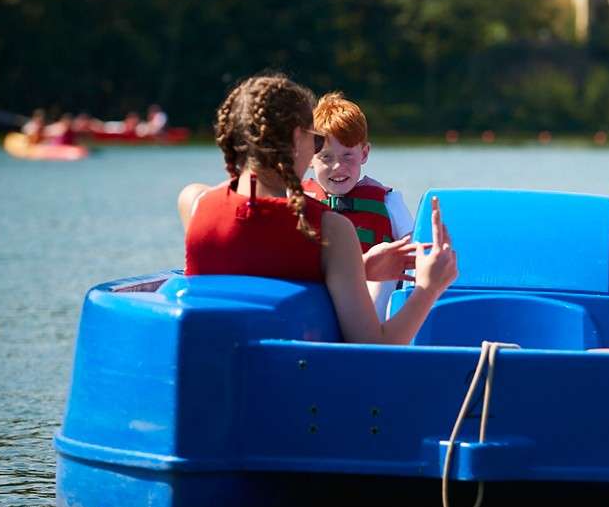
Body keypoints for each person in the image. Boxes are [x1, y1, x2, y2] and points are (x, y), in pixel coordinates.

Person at [177, 73, 457, 345]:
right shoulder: (332, 230)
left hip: (209, 371)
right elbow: (370, 344)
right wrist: (428, 288)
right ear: (299, 139)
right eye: (317, 139)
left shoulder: (194, 202)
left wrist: (358, 269)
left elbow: (257, 256)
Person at [303, 91, 414, 321]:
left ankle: (368, 334)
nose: (337, 167)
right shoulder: (296, 199)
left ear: (364, 154)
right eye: (326, 157)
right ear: (309, 158)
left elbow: (416, 252)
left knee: (386, 264)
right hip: (316, 300)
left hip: (371, 300)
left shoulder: (389, 201)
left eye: (347, 156)